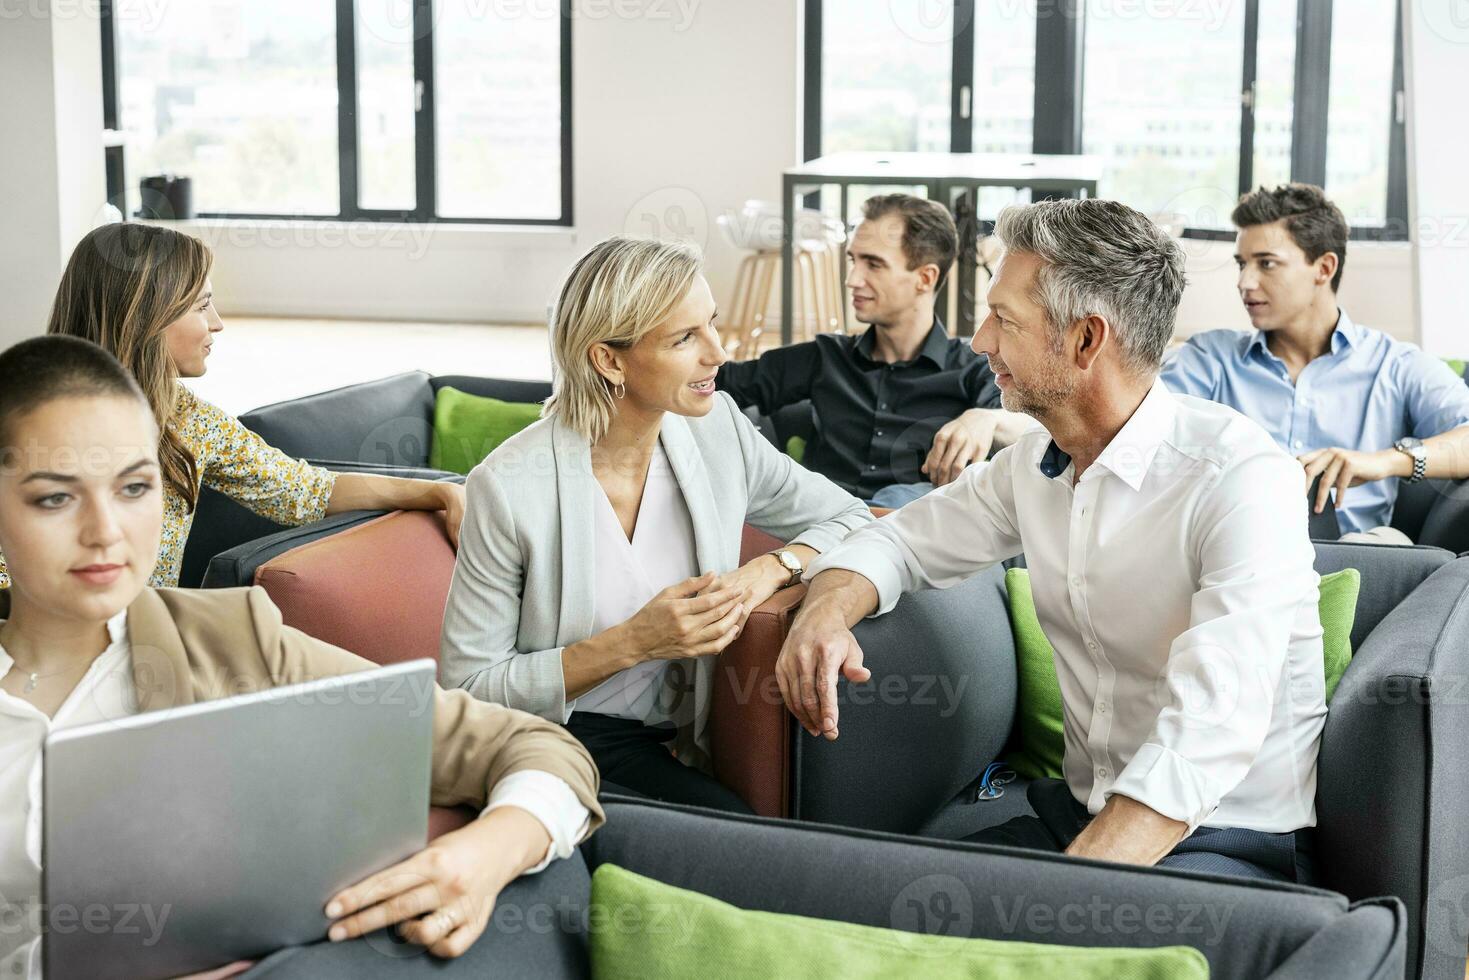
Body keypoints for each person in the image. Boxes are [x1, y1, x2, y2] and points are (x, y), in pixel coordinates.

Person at [0, 335, 602, 980]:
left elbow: (539, 750)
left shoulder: (232, 642)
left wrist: (487, 855)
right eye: (55, 498)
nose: (106, 531)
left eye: (134, 487)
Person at [776, 199, 1326, 884]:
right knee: (887, 899)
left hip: (1224, 832)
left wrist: (1069, 893)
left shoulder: (1239, 478)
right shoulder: (1034, 464)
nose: (979, 342)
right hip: (1078, 811)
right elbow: (900, 541)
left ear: (1086, 340)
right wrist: (824, 611)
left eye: (1003, 319)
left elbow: (1213, 723)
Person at [439, 236, 872, 812]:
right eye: (685, 338)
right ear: (609, 358)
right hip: (552, 741)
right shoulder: (509, 485)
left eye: (711, 325)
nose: (717, 353)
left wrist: (772, 569)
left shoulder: (716, 429)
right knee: (728, 837)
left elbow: (851, 515)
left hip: (678, 740)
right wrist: (633, 643)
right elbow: (468, 690)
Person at [0, 222, 467, 592]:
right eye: (201, 306)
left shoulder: (189, 420)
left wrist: (440, 492)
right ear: (146, 314)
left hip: (144, 648)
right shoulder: (24, 421)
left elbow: (305, 490)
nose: (217, 324)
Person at [1162, 183, 1469, 543]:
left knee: (1386, 541)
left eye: (1266, 263)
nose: (1245, 282)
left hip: (1354, 556)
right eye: (1242, 264)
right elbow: (1138, 425)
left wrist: (1384, 461)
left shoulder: (1396, 365)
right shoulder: (1211, 358)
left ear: (1323, 268)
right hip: (1233, 547)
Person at [717, 193, 1030, 508]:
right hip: (821, 529)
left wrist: (987, 419)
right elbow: (718, 381)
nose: (852, 279)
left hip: (915, 538)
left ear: (925, 278)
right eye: (854, 261)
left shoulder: (973, 367)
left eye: (874, 264)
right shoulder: (826, 357)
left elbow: (1036, 429)